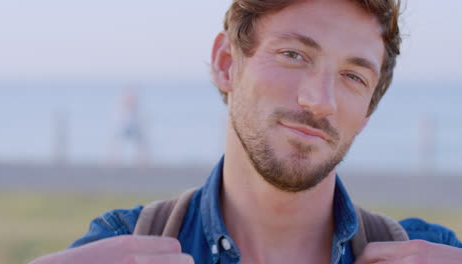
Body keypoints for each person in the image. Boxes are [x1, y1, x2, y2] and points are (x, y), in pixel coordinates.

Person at [30, 0, 462, 263]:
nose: (320, 100)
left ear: (368, 110)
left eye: (353, 77)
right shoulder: (123, 247)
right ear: (225, 63)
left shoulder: (428, 252)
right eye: (293, 54)